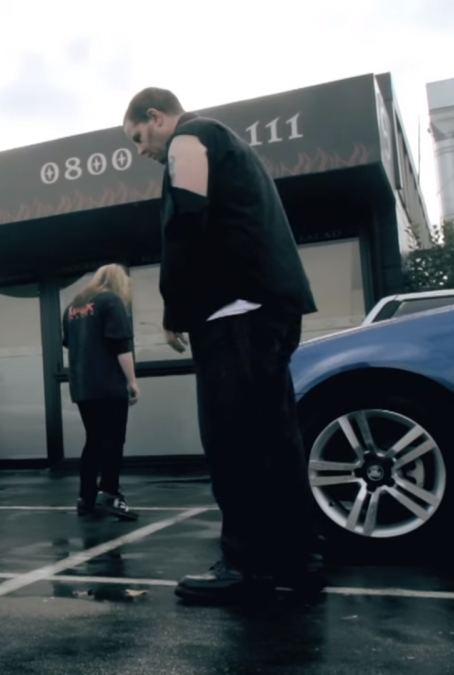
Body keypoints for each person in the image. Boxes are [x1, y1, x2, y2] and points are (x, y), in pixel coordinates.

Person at [122, 87, 323, 604]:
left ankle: (245, 565)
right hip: (268, 309)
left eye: (139, 136)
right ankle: (299, 559)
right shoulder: (229, 145)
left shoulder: (191, 137)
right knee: (276, 439)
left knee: (233, 441)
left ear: (156, 116)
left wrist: (175, 306)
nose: (141, 150)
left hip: (234, 315)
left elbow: (188, 220)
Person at [62, 264, 141, 521]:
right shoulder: (111, 301)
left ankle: (86, 499)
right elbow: (121, 346)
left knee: (94, 440)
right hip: (109, 384)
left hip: (83, 385)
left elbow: (70, 344)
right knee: (114, 441)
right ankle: (110, 494)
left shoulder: (72, 307)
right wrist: (132, 382)